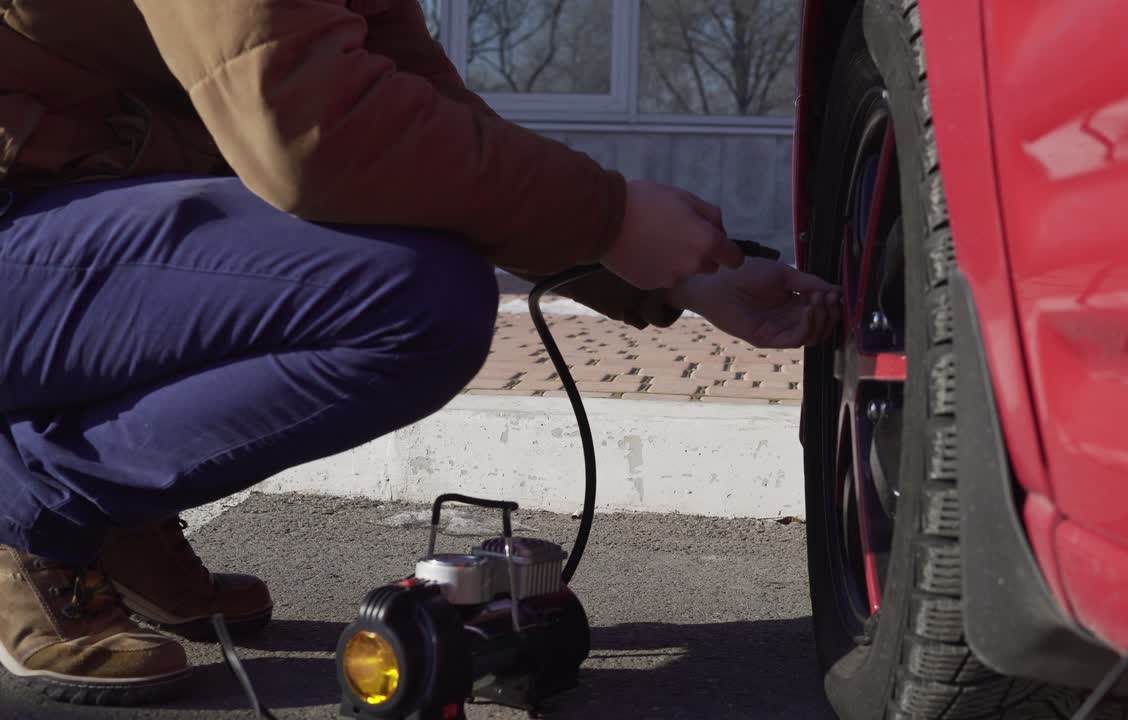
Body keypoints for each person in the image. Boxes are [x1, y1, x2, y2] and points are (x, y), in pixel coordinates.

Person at [0, 0, 839, 705]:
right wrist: (612, 217)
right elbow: (311, 125)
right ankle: (32, 507)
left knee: (392, 266)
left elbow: (424, 115)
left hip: (63, 210)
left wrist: (672, 276)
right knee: (406, 298)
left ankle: (105, 516)